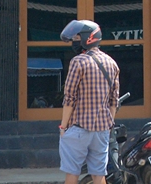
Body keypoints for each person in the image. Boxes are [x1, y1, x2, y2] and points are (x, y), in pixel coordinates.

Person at [58, 20, 119, 184]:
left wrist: (63, 127)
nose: (74, 41)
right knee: (99, 174)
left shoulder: (78, 61)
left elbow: (69, 98)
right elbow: (114, 101)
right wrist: (109, 125)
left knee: (72, 172)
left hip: (79, 127)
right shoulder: (111, 63)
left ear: (88, 38)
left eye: (77, 37)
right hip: (102, 130)